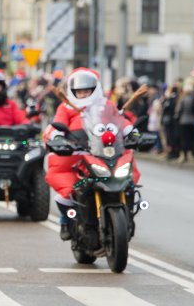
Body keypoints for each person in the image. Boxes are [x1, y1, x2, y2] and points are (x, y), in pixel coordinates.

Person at [44, 68, 140, 241]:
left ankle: (127, 211)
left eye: (86, 91)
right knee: (69, 189)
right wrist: (58, 139)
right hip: (77, 153)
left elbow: (121, 121)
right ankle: (66, 220)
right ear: (72, 92)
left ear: (94, 89)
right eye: (79, 91)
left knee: (127, 178)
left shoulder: (106, 105)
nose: (83, 94)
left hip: (105, 151)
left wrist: (133, 134)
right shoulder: (65, 107)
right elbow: (57, 125)